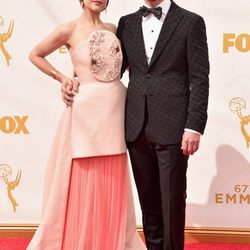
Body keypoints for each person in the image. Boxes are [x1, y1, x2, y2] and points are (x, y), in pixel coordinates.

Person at [27, 0, 146, 249]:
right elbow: (35, 54)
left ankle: (110, 239)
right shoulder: (68, 30)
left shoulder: (116, 29)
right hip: (85, 112)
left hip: (115, 108)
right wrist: (61, 78)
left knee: (113, 173)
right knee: (84, 175)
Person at [116, 0, 210, 249]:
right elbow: (112, 70)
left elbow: (200, 78)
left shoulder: (191, 22)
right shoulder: (126, 23)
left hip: (174, 127)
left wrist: (194, 125)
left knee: (171, 202)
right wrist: (73, 79)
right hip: (135, 126)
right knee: (149, 204)